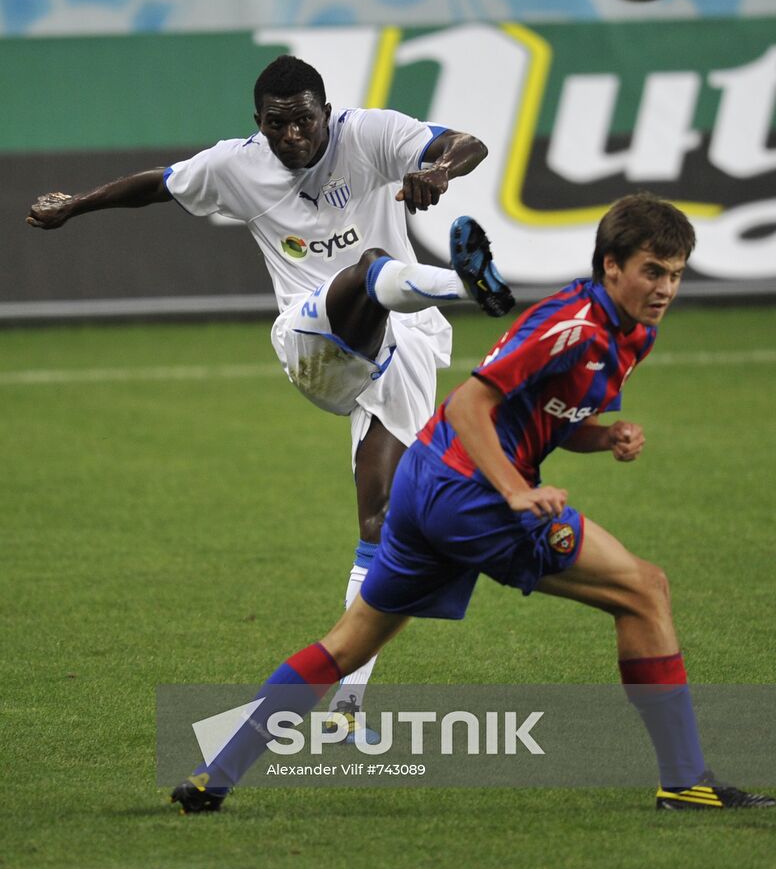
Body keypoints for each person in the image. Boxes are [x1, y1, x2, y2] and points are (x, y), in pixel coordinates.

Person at [170, 193, 775, 813]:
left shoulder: (630, 334)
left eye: (675, 273)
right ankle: (684, 781)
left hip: (425, 484)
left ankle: (211, 775)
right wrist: (516, 490)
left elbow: (544, 416)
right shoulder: (572, 326)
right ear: (611, 265)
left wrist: (603, 437)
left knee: (348, 646)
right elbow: (467, 406)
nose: (666, 287)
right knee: (645, 590)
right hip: (474, 497)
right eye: (653, 271)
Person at [26, 54, 514, 730]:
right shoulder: (236, 165)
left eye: (304, 122)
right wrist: (77, 205)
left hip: (404, 345)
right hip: (313, 343)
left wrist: (437, 170)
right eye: (278, 125)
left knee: (383, 523)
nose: (293, 137)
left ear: (325, 113)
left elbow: (466, 143)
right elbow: (159, 185)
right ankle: (467, 284)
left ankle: (347, 703)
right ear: (259, 123)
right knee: (371, 267)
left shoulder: (368, 134)